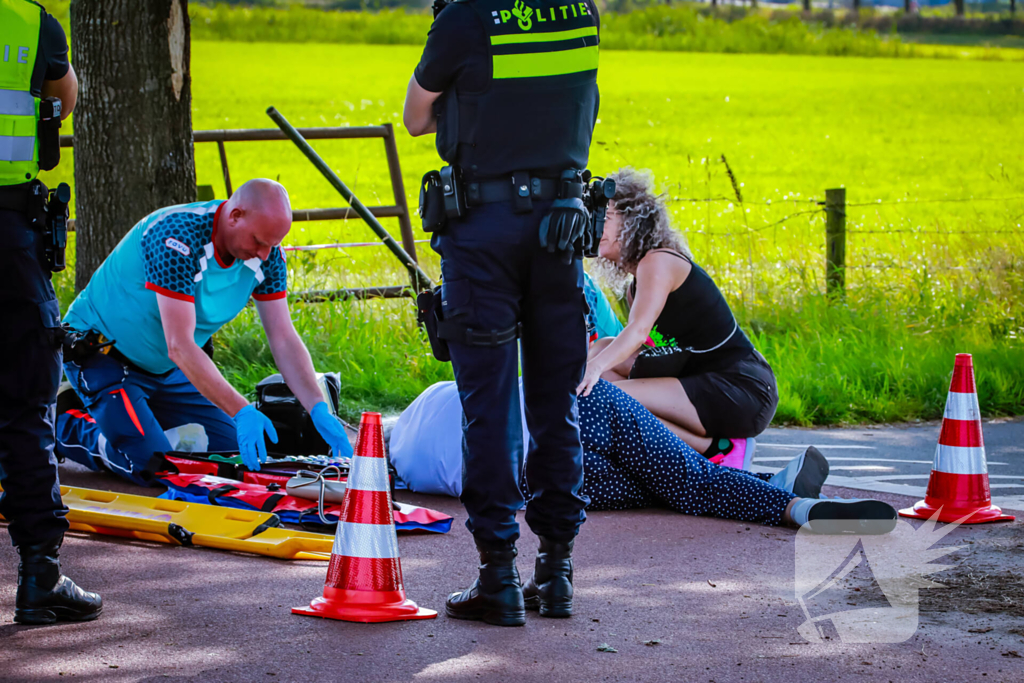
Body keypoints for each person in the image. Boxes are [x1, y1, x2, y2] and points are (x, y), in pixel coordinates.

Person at [404, 0, 602, 625]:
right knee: (555, 402)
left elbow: (414, 118)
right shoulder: (581, 12)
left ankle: (498, 576)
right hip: (561, 228)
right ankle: (558, 570)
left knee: (488, 406)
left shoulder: (465, 17)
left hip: (483, 228)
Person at [55, 179, 353, 487]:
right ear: (235, 215)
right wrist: (242, 410)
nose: (264, 255)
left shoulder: (269, 257)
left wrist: (318, 407)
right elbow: (180, 345)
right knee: (158, 468)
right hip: (104, 356)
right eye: (258, 242)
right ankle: (63, 422)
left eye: (272, 245)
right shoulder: (176, 236)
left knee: (234, 456)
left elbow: (283, 337)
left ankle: (132, 419)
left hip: (168, 369)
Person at [389, 378, 895, 533]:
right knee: (687, 478)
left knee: (673, 490)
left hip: (536, 474)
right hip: (575, 408)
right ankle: (779, 492)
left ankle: (797, 508)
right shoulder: (429, 396)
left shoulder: (408, 473)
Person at [0, 0, 101, 625]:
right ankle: (40, 574)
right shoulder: (30, 21)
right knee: (25, 406)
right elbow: (65, 99)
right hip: (8, 231)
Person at [580, 167, 778, 468]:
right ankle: (672, 456)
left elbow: (637, 331)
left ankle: (718, 449)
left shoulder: (658, 262)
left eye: (605, 219)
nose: (596, 227)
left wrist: (591, 370)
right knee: (602, 351)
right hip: (700, 379)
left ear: (632, 222)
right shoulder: (636, 287)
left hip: (740, 387)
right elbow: (642, 348)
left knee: (603, 396)